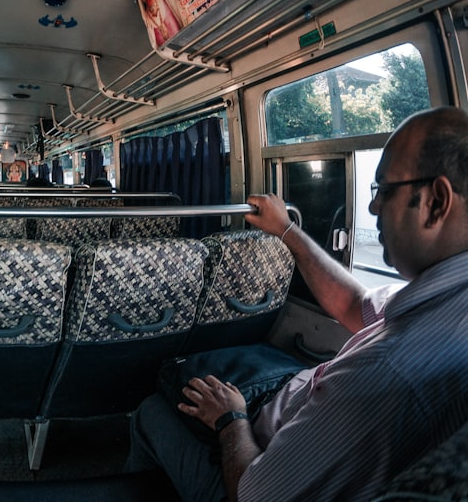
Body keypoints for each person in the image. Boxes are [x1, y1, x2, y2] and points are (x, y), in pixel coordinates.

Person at [126, 106, 468, 501]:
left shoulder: (385, 372)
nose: (373, 208)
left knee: (151, 411)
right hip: (292, 405)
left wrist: (230, 419)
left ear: (436, 201)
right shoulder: (445, 300)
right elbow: (355, 304)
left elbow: (253, 495)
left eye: (384, 191)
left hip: (252, 461)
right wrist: (287, 230)